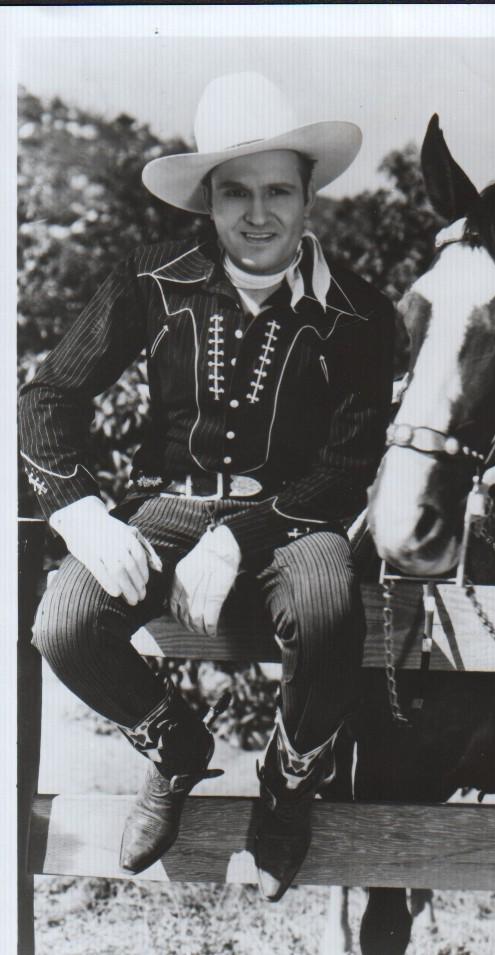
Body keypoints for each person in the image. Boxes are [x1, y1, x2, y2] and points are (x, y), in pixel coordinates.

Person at [19, 72, 394, 901]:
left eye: (276, 192)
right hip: (169, 503)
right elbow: (47, 397)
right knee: (65, 620)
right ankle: (176, 746)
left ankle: (288, 783)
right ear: (207, 202)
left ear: (307, 197)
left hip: (295, 518)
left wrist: (236, 539)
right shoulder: (150, 277)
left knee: (331, 607)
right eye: (234, 194)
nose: (256, 214)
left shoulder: (363, 314)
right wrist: (83, 515)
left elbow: (346, 465)